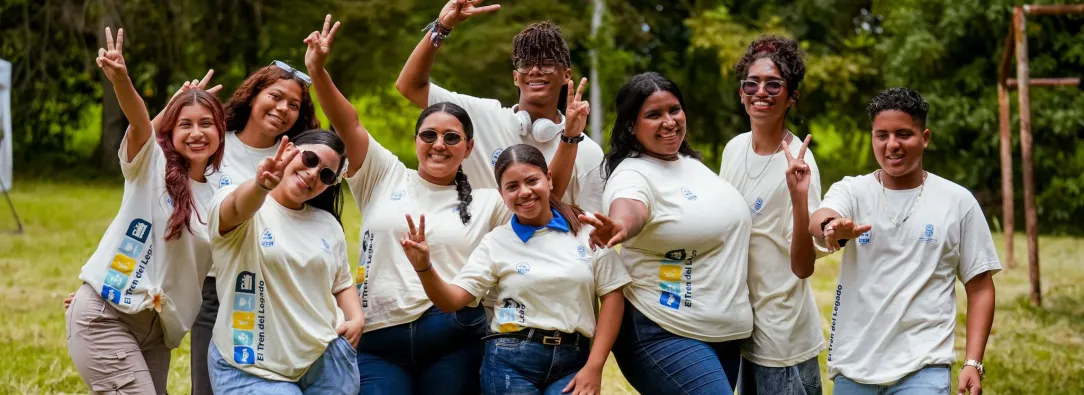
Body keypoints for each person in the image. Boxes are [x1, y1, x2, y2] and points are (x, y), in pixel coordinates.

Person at [301, 15, 587, 394]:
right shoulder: (383, 173)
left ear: (469, 148)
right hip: (379, 337)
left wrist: (568, 139)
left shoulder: (490, 202)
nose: (439, 144)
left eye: (452, 137)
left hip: (451, 335)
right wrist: (317, 70)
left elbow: (544, 191)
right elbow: (348, 121)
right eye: (430, 135)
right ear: (416, 139)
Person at [807, 88, 997, 395]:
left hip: (924, 367)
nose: (892, 145)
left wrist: (973, 363)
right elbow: (819, 219)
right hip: (854, 368)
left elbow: (980, 286)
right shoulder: (853, 191)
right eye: (882, 135)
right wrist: (831, 227)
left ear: (925, 137)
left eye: (903, 134)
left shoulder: (957, 201)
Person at [66, 27, 225, 394]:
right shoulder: (150, 166)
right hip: (107, 318)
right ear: (170, 130)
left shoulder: (219, 197)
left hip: (157, 330)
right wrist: (122, 79)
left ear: (221, 132)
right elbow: (139, 120)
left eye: (206, 124)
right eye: (185, 124)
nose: (196, 133)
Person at [399, 144, 629, 395]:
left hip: (573, 360)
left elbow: (613, 296)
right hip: (510, 361)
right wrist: (424, 268)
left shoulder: (585, 228)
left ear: (549, 179)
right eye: (512, 187)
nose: (524, 192)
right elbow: (452, 300)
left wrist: (595, 366)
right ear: (502, 193)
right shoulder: (496, 241)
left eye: (532, 181)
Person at [587, 72, 753, 394]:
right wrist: (620, 225)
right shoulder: (633, 174)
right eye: (653, 115)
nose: (669, 122)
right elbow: (632, 208)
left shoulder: (690, 163)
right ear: (631, 126)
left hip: (722, 333)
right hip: (662, 328)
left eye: (674, 110)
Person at [395, 0, 607, 214]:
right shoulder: (479, 116)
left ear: (566, 75)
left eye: (546, 63)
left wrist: (570, 138)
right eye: (526, 63)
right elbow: (409, 87)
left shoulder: (587, 152)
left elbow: (592, 230)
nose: (535, 70)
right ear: (516, 77)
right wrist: (441, 28)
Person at [190, 56, 320, 395]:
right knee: (206, 387)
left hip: (270, 289)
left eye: (293, 104)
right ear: (253, 95)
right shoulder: (213, 144)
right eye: (275, 96)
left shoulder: (298, 156)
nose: (283, 109)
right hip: (212, 287)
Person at [206, 129, 362, 394]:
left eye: (326, 174)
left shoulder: (328, 224)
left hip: (325, 359)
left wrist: (357, 317)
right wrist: (260, 186)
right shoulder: (246, 205)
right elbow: (234, 208)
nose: (313, 173)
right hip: (254, 365)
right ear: (289, 151)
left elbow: (341, 282)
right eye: (310, 159)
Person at [717, 36, 825, 395]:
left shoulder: (801, 163)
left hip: (782, 339)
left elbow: (804, 267)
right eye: (752, 82)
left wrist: (798, 197)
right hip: (737, 327)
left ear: (791, 96)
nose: (760, 91)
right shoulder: (734, 148)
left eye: (774, 83)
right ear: (741, 92)